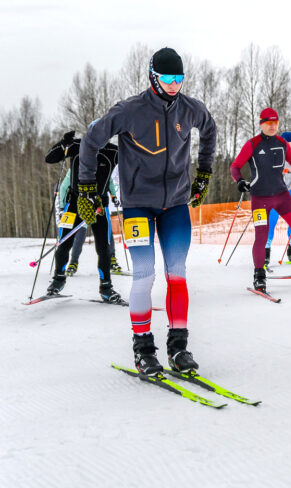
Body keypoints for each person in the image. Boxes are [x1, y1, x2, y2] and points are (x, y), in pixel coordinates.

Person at [79, 48, 217, 376]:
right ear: (153, 77)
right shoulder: (130, 110)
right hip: (138, 205)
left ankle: (178, 347)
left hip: (176, 205)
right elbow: (90, 140)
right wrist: (86, 187)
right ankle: (143, 349)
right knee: (144, 274)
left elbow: (210, 130)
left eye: (179, 78)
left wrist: (204, 173)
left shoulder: (191, 108)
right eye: (167, 78)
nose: (174, 85)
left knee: (177, 273)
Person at [229, 108, 291, 292]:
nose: (272, 126)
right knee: (261, 237)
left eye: (275, 123)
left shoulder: (282, 143)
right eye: (269, 123)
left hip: (282, 195)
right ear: (261, 124)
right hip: (260, 198)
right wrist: (240, 181)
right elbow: (235, 166)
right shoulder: (252, 144)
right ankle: (259, 276)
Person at [44, 129, 121, 301]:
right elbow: (50, 158)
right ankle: (58, 280)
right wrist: (63, 143)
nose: (97, 138)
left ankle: (106, 287)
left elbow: (135, 163)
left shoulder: (112, 151)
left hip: (99, 206)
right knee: (64, 243)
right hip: (74, 204)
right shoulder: (78, 145)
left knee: (103, 248)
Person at [59, 168, 120, 277]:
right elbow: (64, 186)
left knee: (105, 233)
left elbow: (109, 181)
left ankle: (112, 259)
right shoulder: (75, 167)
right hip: (82, 206)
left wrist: (114, 196)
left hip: (98, 205)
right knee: (79, 234)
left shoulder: (100, 165)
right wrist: (62, 206)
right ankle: (73, 262)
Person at [266, 130, 291, 265]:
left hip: (290, 190)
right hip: (274, 191)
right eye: (287, 144)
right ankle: (266, 251)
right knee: (271, 220)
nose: (290, 147)